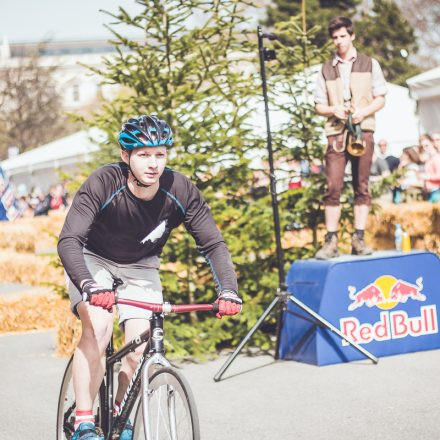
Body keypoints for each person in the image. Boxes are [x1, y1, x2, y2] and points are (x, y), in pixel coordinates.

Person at [57, 115, 242, 440]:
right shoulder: (104, 182)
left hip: (141, 266)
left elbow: (212, 243)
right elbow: (69, 240)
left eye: (160, 155)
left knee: (139, 347)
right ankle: (84, 420)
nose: (153, 164)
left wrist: (228, 289)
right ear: (126, 156)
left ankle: (120, 411)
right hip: (93, 259)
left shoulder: (180, 190)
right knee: (99, 326)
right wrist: (88, 284)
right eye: (144, 155)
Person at [314, 16, 387, 259]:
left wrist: (362, 113)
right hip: (336, 132)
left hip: (362, 130)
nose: (339, 41)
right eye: (335, 38)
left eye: (343, 36)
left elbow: (381, 97)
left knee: (362, 186)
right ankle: (331, 241)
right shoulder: (326, 68)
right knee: (333, 186)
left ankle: (359, 238)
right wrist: (333, 110)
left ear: (352, 36)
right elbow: (318, 105)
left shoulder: (369, 63)